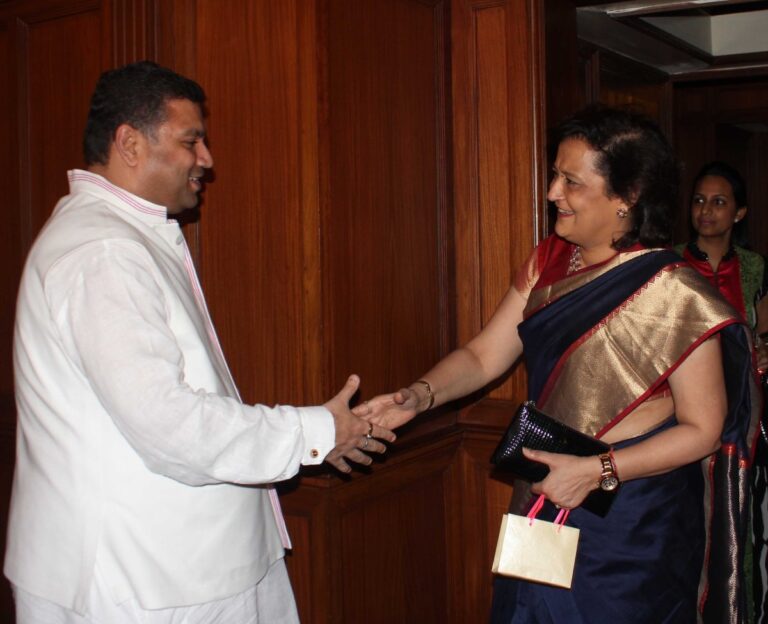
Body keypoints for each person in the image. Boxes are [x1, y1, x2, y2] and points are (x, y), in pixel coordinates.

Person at [4, 61, 395, 623]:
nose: (206, 159)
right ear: (129, 143)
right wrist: (315, 430)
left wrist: (317, 436)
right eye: (191, 141)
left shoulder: (122, 236)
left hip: (173, 572)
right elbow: (169, 424)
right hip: (145, 582)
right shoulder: (105, 253)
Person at [357, 107, 759, 622]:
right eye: (555, 175)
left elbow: (703, 429)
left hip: (630, 514)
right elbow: (483, 355)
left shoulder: (675, 293)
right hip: (546, 488)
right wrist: (417, 397)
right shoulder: (547, 261)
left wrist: (597, 471)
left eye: (571, 181)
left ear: (627, 195)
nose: (552, 192)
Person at [675, 161, 768, 622]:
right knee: (682, 522)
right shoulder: (669, 262)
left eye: (718, 202)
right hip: (679, 413)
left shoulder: (753, 269)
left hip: (740, 417)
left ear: (739, 213)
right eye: (698, 200)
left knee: (735, 522)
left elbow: (763, 332)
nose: (705, 211)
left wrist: (763, 350)